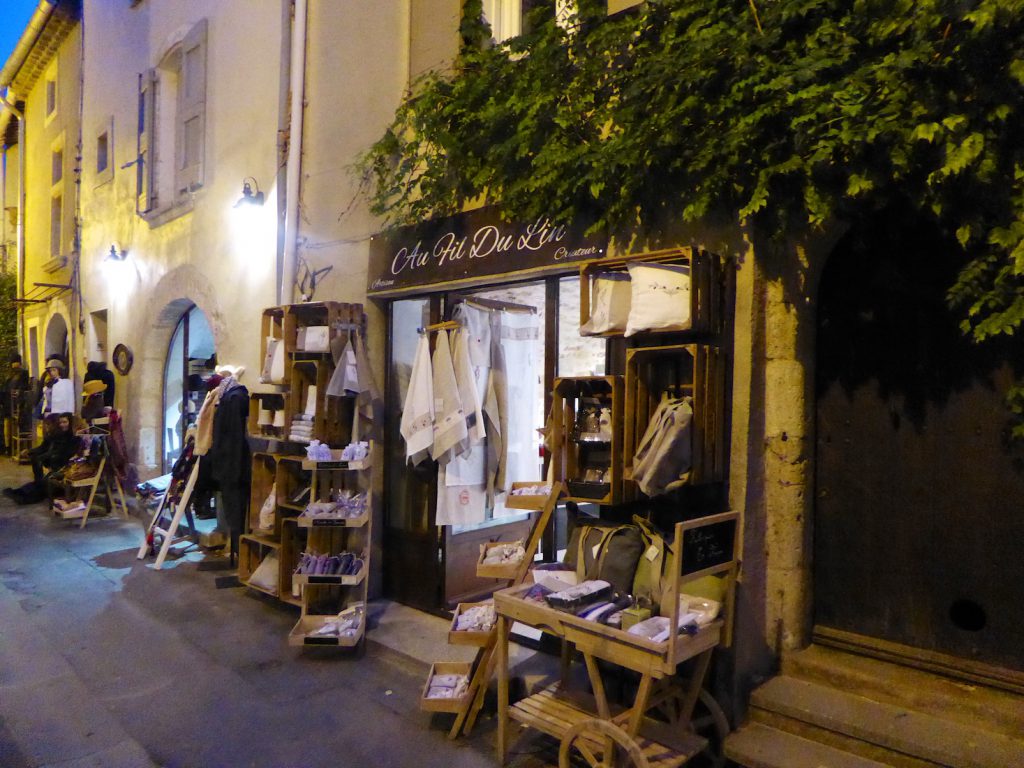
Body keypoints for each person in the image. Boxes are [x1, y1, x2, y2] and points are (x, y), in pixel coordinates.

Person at [3, 413, 79, 504]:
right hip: (56, 465)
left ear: (70, 422)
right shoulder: (58, 435)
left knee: (43, 485)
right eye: (60, 422)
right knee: (40, 481)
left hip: (65, 468)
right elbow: (46, 448)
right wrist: (31, 452)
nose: (62, 424)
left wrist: (46, 457)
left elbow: (64, 454)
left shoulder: (73, 437)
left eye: (65, 422)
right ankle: (20, 492)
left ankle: (26, 498)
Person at [0, 354, 29, 454]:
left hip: (18, 404)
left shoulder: (24, 373)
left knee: (16, 426)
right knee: (7, 425)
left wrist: (18, 393)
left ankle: (15, 448)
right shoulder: (10, 375)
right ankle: (8, 447)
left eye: (15, 362)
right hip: (8, 404)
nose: (14, 365)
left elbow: (24, 386)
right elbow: (5, 388)